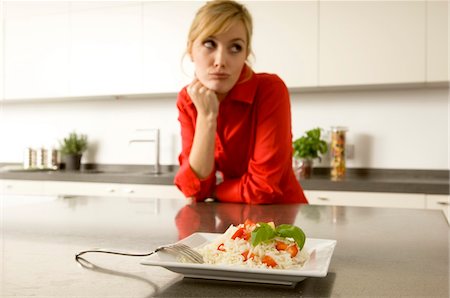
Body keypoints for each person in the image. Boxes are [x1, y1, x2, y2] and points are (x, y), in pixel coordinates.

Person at [174, 0, 307, 204]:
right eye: (210, 44)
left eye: (235, 47)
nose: (220, 60)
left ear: (246, 54)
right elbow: (195, 189)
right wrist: (207, 118)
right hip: (233, 221)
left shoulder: (270, 89)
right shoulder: (188, 99)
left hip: (281, 217)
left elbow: (264, 187)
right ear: (191, 49)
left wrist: (215, 192)